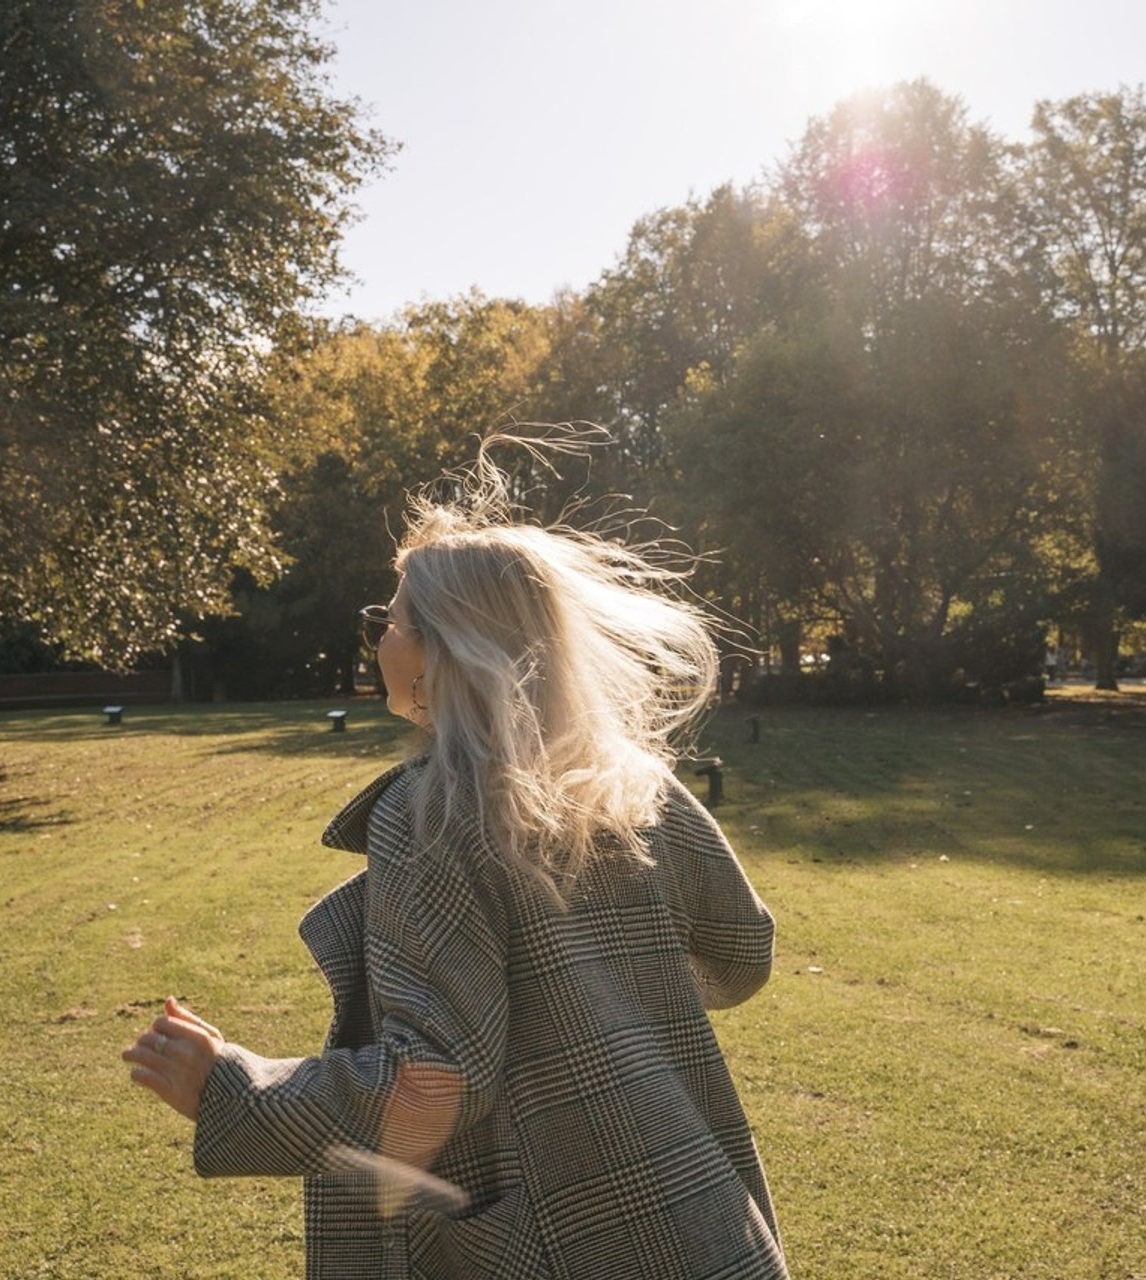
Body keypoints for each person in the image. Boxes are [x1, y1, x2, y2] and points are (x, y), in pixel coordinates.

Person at [124, 433, 789, 1278]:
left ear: (447, 653)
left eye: (391, 619)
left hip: (557, 1245)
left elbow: (441, 1075)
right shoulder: (640, 788)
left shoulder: (429, 813)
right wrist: (599, 1010)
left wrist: (232, 1087)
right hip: (704, 1226)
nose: (380, 639)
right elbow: (744, 955)